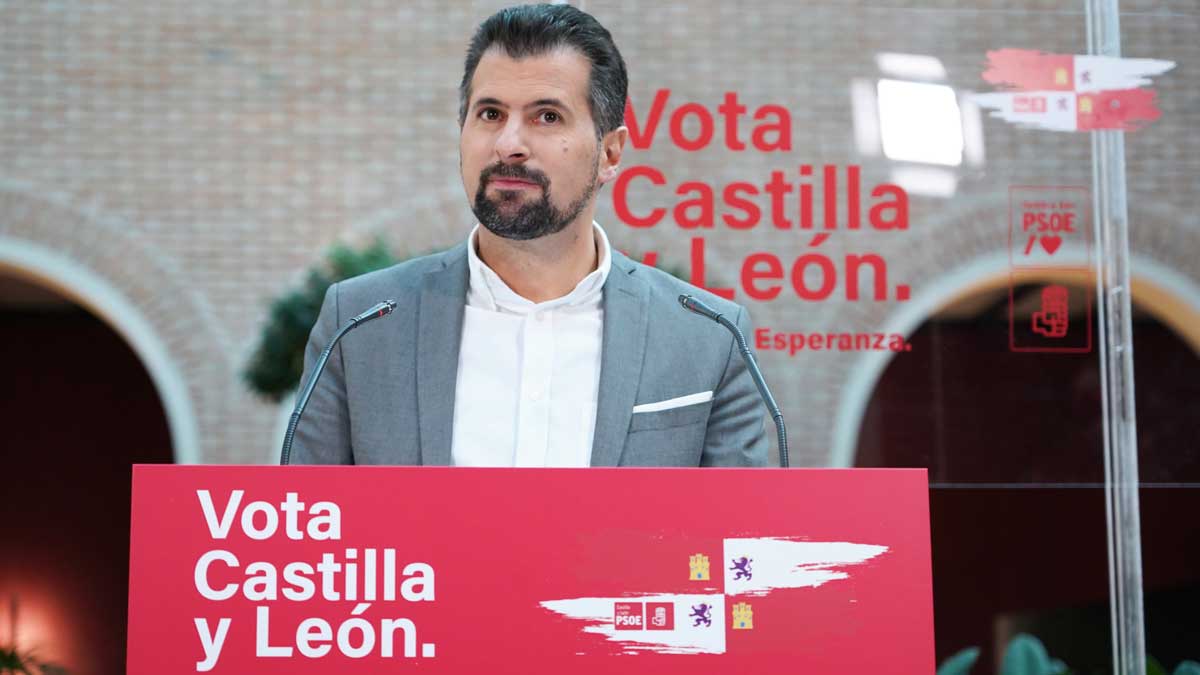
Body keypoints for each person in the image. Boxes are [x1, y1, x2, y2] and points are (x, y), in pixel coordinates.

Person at [290, 4, 767, 467]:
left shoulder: (709, 339)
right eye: (490, 114)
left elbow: (737, 520)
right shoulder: (359, 325)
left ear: (610, 153)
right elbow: (306, 514)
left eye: (547, 117)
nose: (508, 144)